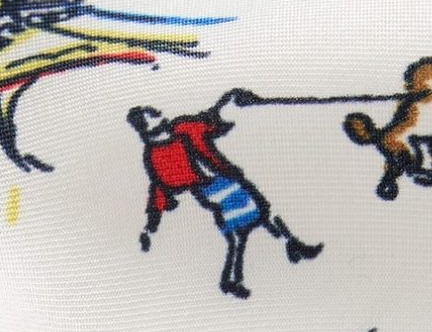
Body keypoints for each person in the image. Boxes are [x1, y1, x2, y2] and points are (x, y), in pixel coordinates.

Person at [129, 92, 322, 300]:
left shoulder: (181, 128)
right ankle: (233, 279)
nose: (159, 114)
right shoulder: (157, 154)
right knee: (242, 229)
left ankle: (290, 246)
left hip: (224, 181)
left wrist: (229, 99)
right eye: (152, 115)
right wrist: (151, 226)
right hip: (213, 190)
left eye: (155, 112)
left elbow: (210, 119)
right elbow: (160, 189)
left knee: (260, 216)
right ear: (145, 127)